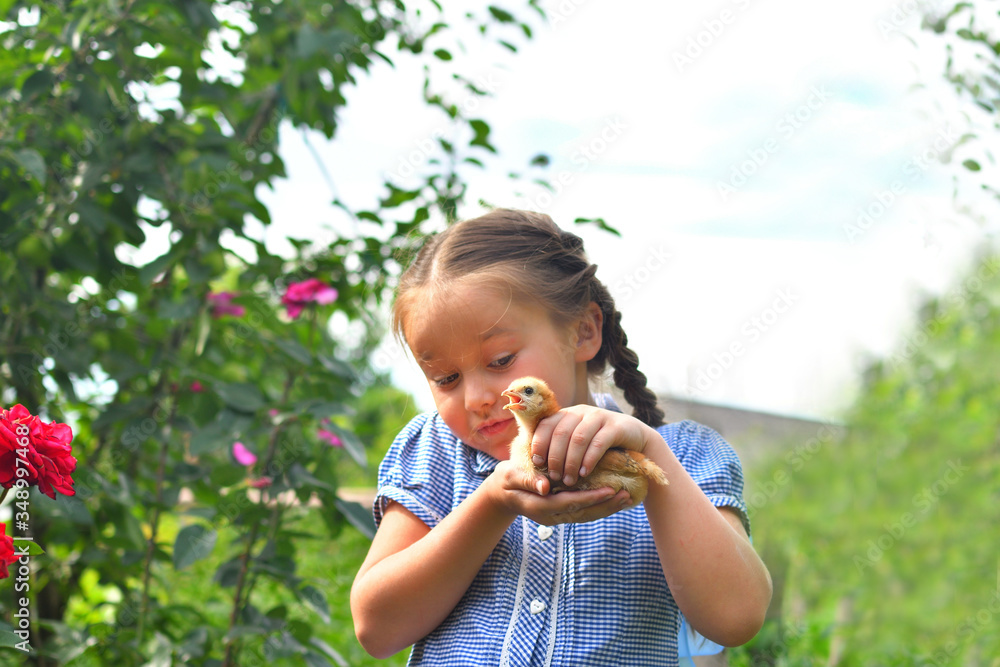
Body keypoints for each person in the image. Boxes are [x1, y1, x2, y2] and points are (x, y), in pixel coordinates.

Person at [350, 209, 772, 665]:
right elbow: (376, 627)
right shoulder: (436, 453)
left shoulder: (685, 455)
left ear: (584, 332)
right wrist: (491, 502)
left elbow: (737, 617)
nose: (475, 398)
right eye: (446, 377)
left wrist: (650, 455)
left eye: (500, 360)